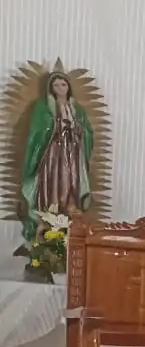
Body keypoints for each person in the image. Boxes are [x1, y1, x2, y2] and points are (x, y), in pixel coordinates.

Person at [21, 72, 94, 243]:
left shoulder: (77, 108)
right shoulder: (44, 106)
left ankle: (68, 217)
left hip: (72, 154)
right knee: (52, 183)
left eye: (63, 85)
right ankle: (49, 216)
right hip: (52, 154)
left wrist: (78, 130)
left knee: (71, 183)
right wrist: (55, 125)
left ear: (69, 87)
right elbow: (38, 130)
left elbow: (88, 132)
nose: (60, 88)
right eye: (56, 85)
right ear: (51, 88)